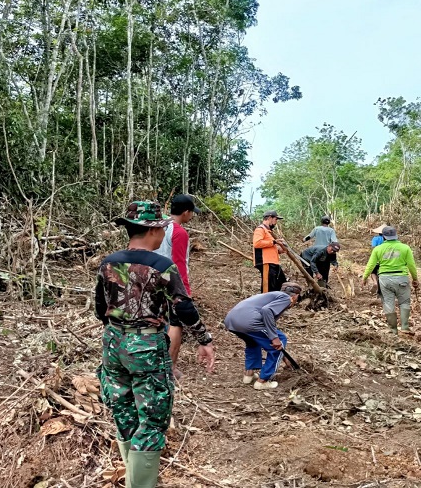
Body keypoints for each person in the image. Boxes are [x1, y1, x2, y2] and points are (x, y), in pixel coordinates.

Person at [95, 201, 216, 488]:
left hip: (113, 343)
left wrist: (120, 330)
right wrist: (204, 339)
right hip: (147, 345)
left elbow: (101, 308)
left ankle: (133, 475)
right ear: (154, 230)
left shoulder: (108, 262)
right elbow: (184, 308)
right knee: (151, 420)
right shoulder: (161, 265)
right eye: (161, 228)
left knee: (122, 410)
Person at [224, 283, 303, 390]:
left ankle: (249, 375)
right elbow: (267, 311)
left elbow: (267, 321)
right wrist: (275, 339)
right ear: (295, 296)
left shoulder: (272, 295)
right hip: (249, 322)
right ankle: (263, 381)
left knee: (253, 342)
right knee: (281, 339)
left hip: (231, 321)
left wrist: (282, 354)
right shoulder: (286, 298)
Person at [154, 194, 200, 379]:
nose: (192, 216)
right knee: (175, 324)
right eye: (192, 213)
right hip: (170, 283)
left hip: (150, 281)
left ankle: (155, 364)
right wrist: (184, 293)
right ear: (186, 212)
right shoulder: (179, 232)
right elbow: (179, 264)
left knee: (157, 322)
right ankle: (170, 368)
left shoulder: (157, 225)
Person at [362, 226, 419, 335]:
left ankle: (393, 329)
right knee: (404, 302)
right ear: (395, 236)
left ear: (384, 236)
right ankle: (405, 327)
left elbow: (370, 265)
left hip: (385, 279)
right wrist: (415, 279)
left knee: (388, 303)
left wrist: (365, 277)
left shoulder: (378, 249)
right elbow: (411, 265)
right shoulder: (405, 248)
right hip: (402, 278)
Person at [253, 210, 288, 293]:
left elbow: (270, 247)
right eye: (275, 219)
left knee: (280, 284)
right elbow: (257, 243)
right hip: (266, 262)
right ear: (269, 218)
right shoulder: (260, 229)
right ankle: (265, 304)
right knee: (268, 288)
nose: (276, 223)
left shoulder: (269, 232)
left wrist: (282, 249)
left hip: (274, 263)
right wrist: (274, 242)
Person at [368, 224, 387, 293]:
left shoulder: (375, 238)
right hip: (386, 259)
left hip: (377, 258)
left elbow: (373, 248)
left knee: (373, 272)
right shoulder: (388, 240)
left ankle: (375, 282)